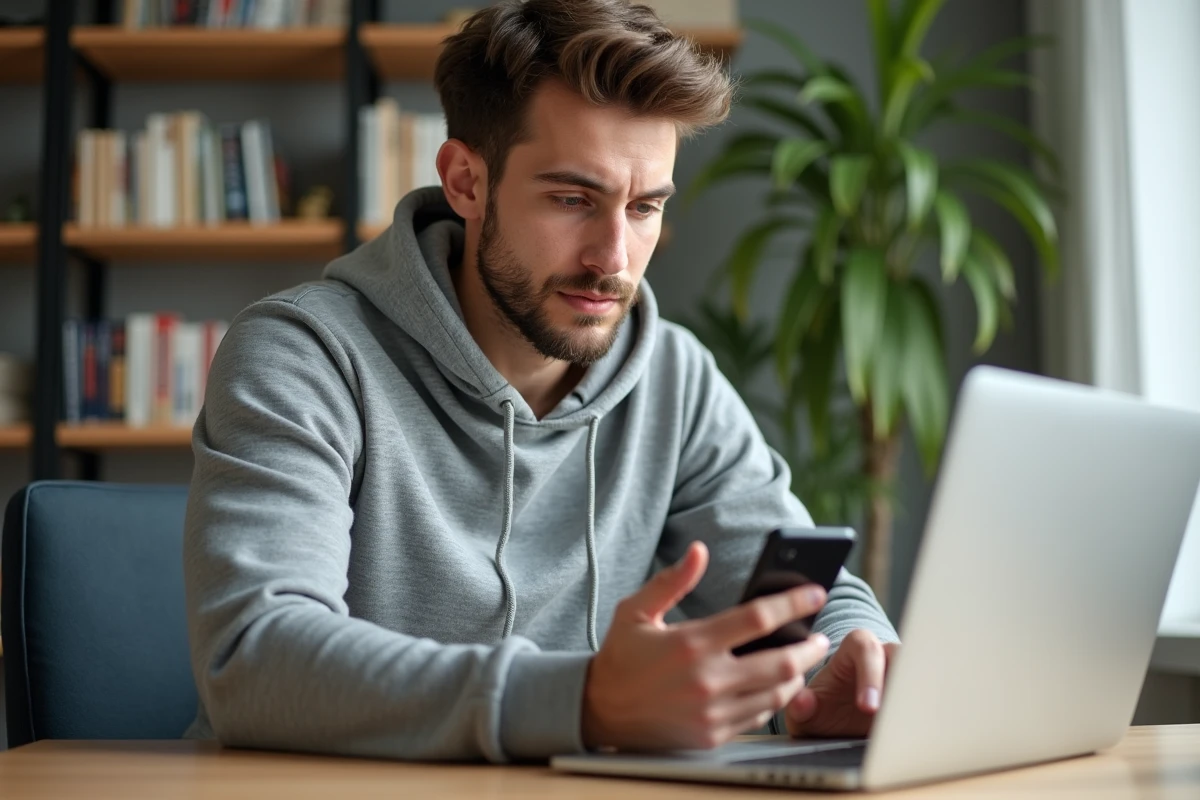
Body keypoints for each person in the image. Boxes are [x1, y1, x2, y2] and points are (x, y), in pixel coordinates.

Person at [182, 0, 899, 762]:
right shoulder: (304, 356)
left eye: (645, 206)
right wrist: (584, 704)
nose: (613, 258)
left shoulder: (673, 377)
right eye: (572, 200)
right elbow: (254, 660)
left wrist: (850, 665)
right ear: (465, 180)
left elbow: (806, 592)